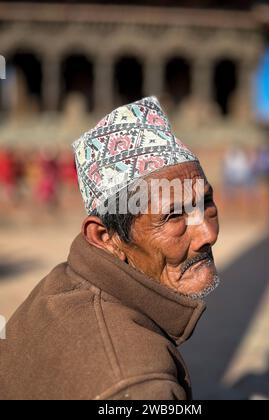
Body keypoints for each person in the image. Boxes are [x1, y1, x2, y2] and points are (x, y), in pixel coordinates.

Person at [0, 96, 219, 400]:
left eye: (205, 203)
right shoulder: (138, 384)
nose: (207, 234)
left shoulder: (61, 285)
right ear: (105, 237)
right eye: (173, 216)